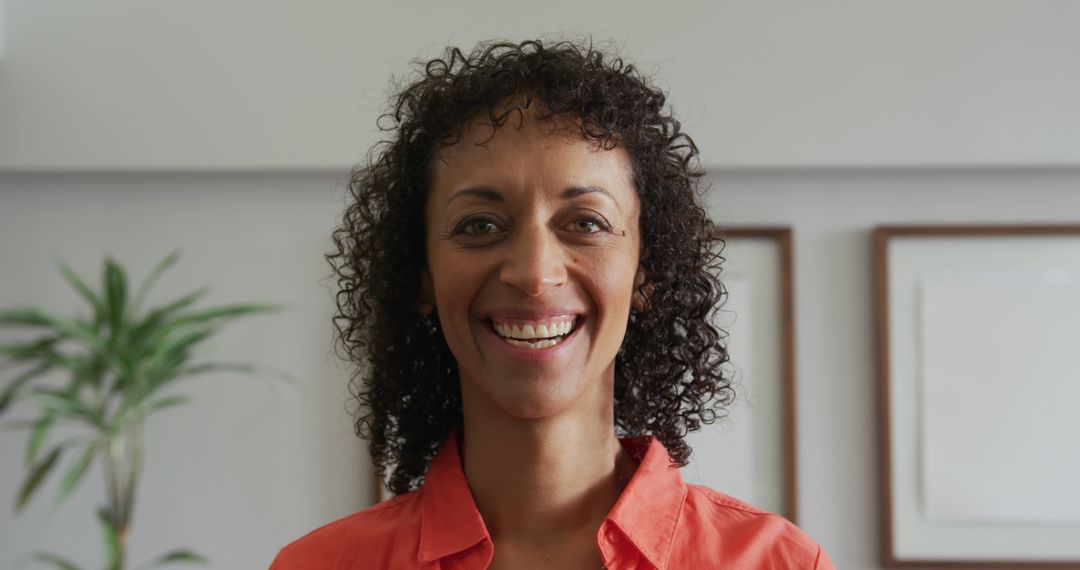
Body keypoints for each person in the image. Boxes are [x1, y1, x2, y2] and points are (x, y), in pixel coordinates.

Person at [271, 38, 834, 569]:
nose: (534, 274)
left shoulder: (777, 562)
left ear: (646, 274)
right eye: (480, 225)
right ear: (420, 277)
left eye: (586, 223)